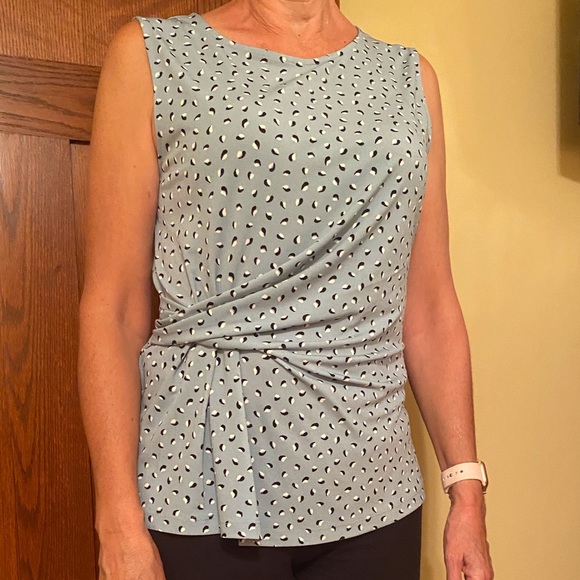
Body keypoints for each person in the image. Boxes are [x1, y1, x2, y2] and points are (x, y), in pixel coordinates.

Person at [78, 0, 494, 578]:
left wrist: (466, 490)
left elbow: (428, 308)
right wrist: (117, 521)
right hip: (204, 487)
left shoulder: (409, 81)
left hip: (376, 492)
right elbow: (114, 307)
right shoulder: (152, 56)